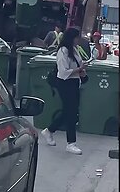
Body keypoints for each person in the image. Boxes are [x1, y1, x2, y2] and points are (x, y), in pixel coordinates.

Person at [41, 27, 86, 155]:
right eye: (77, 37)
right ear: (72, 38)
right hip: (65, 84)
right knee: (70, 113)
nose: (79, 40)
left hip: (74, 83)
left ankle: (49, 131)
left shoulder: (75, 50)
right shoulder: (63, 51)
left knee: (70, 111)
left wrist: (82, 70)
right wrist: (78, 70)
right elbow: (63, 72)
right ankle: (71, 143)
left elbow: (78, 65)